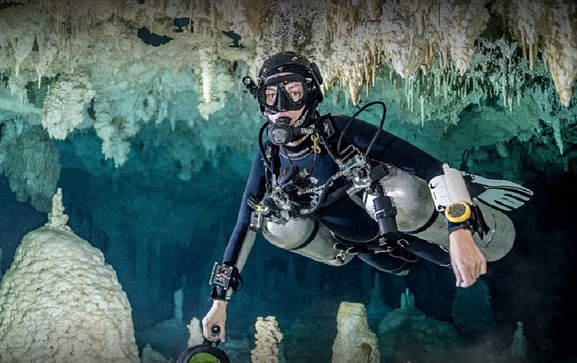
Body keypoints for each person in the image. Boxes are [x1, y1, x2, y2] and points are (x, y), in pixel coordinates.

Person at [201, 51, 532, 342]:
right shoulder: (269, 157)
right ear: (261, 102)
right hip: (358, 249)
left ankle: (469, 223)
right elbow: (244, 225)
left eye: (294, 93)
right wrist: (219, 303)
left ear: (312, 97)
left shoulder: (342, 133)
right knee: (274, 223)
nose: (281, 108)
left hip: (399, 223)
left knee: (411, 204)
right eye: (271, 96)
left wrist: (459, 232)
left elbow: (433, 168)